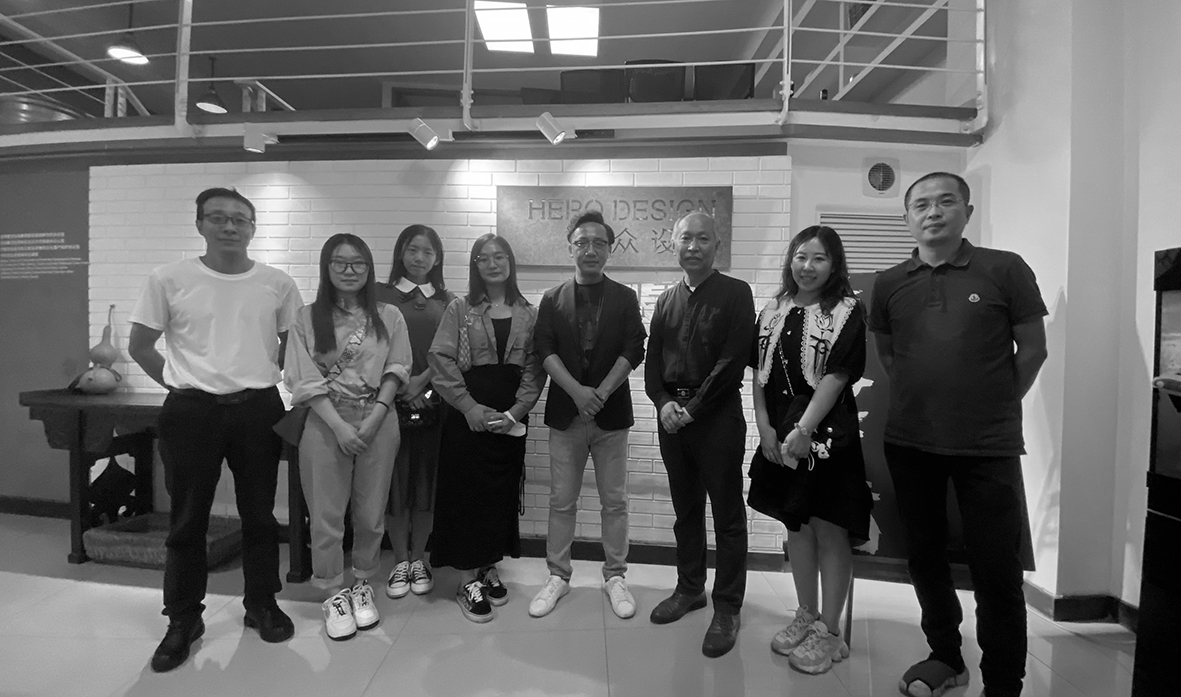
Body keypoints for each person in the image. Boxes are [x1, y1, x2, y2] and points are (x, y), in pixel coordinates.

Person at [869, 172, 1048, 697]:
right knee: (925, 557)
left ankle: (1003, 684)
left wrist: (991, 404)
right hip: (910, 442)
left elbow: (1033, 350)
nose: (933, 212)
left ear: (967, 211)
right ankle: (946, 656)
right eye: (920, 205)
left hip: (986, 447)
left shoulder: (1005, 269)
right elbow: (889, 357)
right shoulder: (890, 282)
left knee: (996, 569)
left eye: (946, 201)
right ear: (907, 218)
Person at [128, 187, 303, 672]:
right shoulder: (169, 278)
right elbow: (140, 344)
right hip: (191, 411)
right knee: (188, 519)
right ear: (200, 224)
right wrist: (181, 383)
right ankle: (183, 618)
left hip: (257, 409)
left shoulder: (276, 283)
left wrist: (263, 374)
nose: (230, 227)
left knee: (259, 514)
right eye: (218, 218)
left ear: (253, 228)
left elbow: (292, 345)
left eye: (240, 219)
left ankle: (262, 604)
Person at [749, 226, 873, 674]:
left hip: (826, 436)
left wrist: (805, 429)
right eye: (801, 256)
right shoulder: (773, 309)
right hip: (781, 434)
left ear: (834, 265)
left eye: (819, 258)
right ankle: (806, 613)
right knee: (796, 525)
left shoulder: (847, 310)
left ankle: (831, 630)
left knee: (829, 527)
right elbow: (758, 374)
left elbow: (838, 375)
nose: (807, 266)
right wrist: (764, 428)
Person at [284, 233, 412, 640]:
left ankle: (362, 584)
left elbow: (398, 367)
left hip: (379, 417)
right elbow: (301, 377)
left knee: (371, 512)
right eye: (340, 262)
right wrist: (338, 426)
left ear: (369, 268)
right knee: (326, 514)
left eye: (358, 263)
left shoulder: (389, 315)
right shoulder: (306, 318)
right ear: (327, 268)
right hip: (325, 419)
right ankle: (333, 593)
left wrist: (375, 416)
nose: (349, 270)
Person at [644, 210, 755, 658]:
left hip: (716, 418)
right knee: (686, 511)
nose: (693, 246)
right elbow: (653, 359)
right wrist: (662, 403)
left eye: (703, 238)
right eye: (685, 238)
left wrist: (692, 409)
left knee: (727, 516)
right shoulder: (666, 299)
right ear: (674, 244)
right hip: (672, 418)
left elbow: (733, 361)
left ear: (717, 246)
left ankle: (727, 607)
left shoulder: (736, 293)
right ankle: (690, 588)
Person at [528, 211, 647, 620]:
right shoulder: (552, 298)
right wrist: (578, 393)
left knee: (615, 501)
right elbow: (543, 349)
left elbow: (634, 347)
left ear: (610, 249)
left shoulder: (625, 297)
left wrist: (601, 392)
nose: (590, 250)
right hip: (567, 415)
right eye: (582, 243)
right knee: (562, 501)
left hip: (611, 416)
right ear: (570, 248)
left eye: (599, 243)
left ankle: (615, 576)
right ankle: (558, 576)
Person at [428, 233, 545, 623]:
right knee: (467, 493)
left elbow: (535, 368)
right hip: (467, 417)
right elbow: (440, 359)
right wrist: (468, 407)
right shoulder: (459, 309)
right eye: (483, 258)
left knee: (499, 493)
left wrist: (516, 412)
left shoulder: (529, 313)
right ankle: (466, 579)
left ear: (510, 262)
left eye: (499, 256)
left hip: (509, 418)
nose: (493, 263)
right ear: (475, 265)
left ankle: (487, 564)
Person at [375, 225, 452, 602]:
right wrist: (399, 387)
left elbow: (454, 352)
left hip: (434, 405)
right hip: (387, 403)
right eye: (412, 250)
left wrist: (422, 384)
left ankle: (420, 558)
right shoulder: (379, 295)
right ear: (400, 253)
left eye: (427, 252)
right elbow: (370, 347)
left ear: (437, 258)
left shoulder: (449, 301)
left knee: (425, 485)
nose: (419, 258)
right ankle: (400, 560)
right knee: (394, 485)